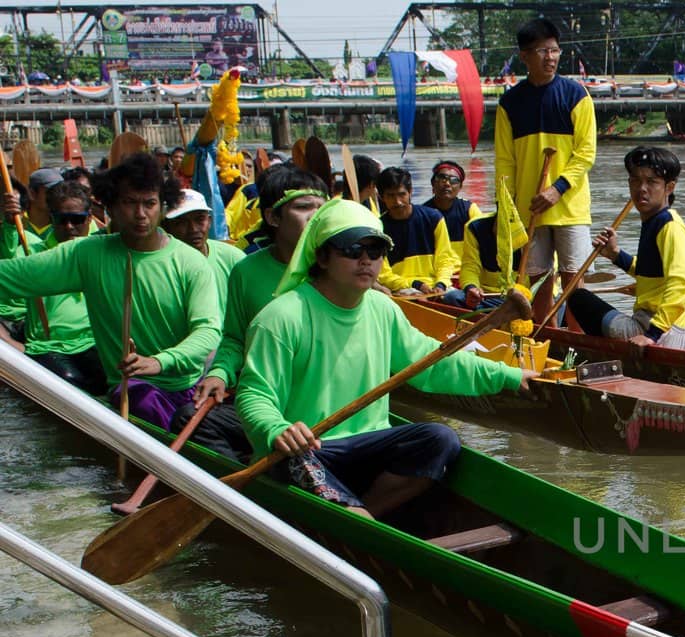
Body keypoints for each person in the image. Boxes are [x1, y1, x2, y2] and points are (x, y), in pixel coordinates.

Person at [234, 198, 537, 520]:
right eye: (352, 250)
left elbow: (432, 362)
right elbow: (254, 393)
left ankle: (364, 516)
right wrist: (275, 429)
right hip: (312, 449)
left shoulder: (383, 310)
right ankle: (355, 516)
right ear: (322, 257)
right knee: (291, 455)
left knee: (440, 438)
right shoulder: (282, 317)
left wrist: (508, 376)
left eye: (375, 251)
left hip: (369, 444)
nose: (366, 261)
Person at [0, 152, 220, 429]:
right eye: (129, 203)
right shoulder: (86, 254)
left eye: (150, 204)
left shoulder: (191, 263)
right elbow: (11, 276)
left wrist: (159, 361)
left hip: (190, 385)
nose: (141, 215)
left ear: (163, 208)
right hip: (133, 389)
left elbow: (208, 331)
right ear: (109, 208)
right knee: (142, 398)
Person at [182, 166, 328, 461]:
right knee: (188, 416)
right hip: (267, 398)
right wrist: (220, 373)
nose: (316, 217)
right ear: (273, 217)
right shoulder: (246, 272)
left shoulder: (337, 266)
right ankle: (248, 477)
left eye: (321, 209)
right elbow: (235, 338)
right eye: (303, 208)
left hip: (321, 395)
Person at [495, 17, 597, 324]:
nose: (550, 58)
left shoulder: (576, 95)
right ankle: (547, 340)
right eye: (541, 51)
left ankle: (577, 345)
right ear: (524, 56)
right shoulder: (509, 103)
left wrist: (558, 188)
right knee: (537, 282)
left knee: (574, 284)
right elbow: (505, 162)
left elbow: (586, 152)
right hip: (529, 210)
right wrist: (505, 209)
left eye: (554, 50)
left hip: (570, 207)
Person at [564, 146, 685, 350]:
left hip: (664, 332)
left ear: (669, 187)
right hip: (672, 326)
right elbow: (651, 273)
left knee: (578, 298)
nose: (642, 188)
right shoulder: (655, 221)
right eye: (636, 181)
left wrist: (652, 335)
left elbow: (682, 284)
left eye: (651, 182)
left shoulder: (669, 226)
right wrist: (615, 255)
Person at [0, 180, 99, 391]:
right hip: (49, 347)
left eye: (76, 219)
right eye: (61, 220)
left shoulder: (103, 249)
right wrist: (9, 223)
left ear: (89, 218)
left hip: (94, 342)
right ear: (51, 219)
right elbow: (7, 260)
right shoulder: (32, 251)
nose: (69, 227)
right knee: (69, 381)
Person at [373, 166, 458, 297]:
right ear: (381, 197)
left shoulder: (434, 218)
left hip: (436, 285)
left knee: (455, 297)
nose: (398, 202)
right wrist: (415, 284)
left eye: (402, 194)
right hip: (403, 288)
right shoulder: (378, 229)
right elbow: (384, 275)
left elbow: (445, 259)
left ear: (410, 192)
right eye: (391, 196)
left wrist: (441, 284)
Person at [162, 184, 245, 297]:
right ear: (167, 227)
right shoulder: (162, 267)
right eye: (182, 222)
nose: (193, 229)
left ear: (209, 221)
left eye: (200, 219)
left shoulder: (233, 258)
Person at [458, 211, 519, 308]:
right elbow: (470, 266)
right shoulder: (475, 226)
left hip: (521, 297)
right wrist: (471, 287)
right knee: (452, 297)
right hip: (485, 296)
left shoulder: (534, 230)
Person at [422, 160, 481, 260]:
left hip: (465, 268)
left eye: (454, 180)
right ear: (433, 183)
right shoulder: (423, 214)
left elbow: (483, 242)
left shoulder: (470, 210)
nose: (447, 184)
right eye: (442, 178)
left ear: (460, 187)